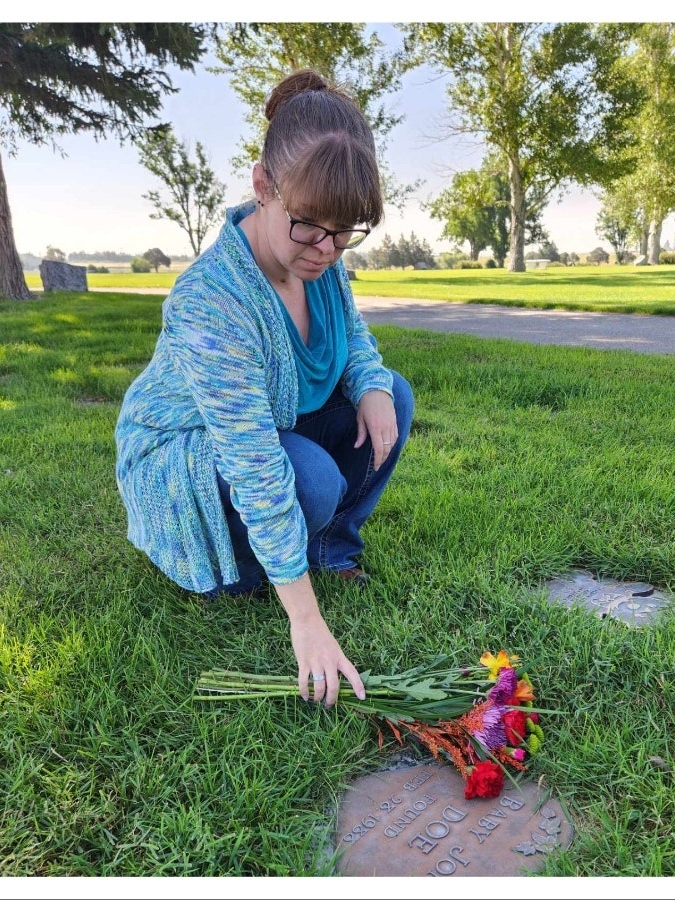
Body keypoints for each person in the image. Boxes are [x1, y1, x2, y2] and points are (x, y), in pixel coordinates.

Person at [115, 70, 413, 708]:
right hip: (186, 456)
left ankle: (329, 548)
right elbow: (250, 461)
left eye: (345, 231)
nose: (326, 250)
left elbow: (354, 338)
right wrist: (305, 620)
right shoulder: (212, 299)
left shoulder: (323, 261)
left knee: (395, 393)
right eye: (309, 225)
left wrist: (371, 385)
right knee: (309, 481)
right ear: (262, 186)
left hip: (272, 427)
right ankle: (245, 574)